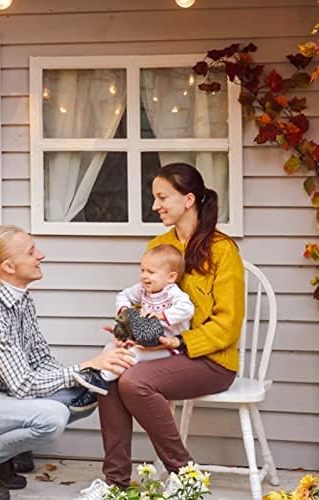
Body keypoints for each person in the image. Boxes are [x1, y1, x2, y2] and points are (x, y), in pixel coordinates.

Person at [76, 163, 245, 500]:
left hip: (211, 360)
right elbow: (146, 299)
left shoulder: (223, 251)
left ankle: (185, 475)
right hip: (161, 352)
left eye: (162, 197)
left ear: (189, 199)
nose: (155, 206)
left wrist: (178, 341)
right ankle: (115, 483)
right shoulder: (160, 244)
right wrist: (130, 330)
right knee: (113, 372)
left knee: (135, 382)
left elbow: (228, 325)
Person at [0, 225, 134, 500]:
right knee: (53, 417)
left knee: (86, 393)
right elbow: (25, 384)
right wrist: (87, 366)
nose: (41, 255)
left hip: (4, 397)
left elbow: (41, 361)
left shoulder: (23, 300)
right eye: (31, 252)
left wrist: (92, 373)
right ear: (9, 266)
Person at [73, 244, 194, 395]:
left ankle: (103, 379)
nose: (144, 276)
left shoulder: (172, 293)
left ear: (171, 277)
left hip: (166, 347)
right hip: (143, 339)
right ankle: (96, 373)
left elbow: (187, 309)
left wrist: (162, 315)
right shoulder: (142, 289)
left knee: (134, 353)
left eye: (151, 272)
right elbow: (123, 295)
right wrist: (126, 311)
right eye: (142, 270)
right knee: (112, 346)